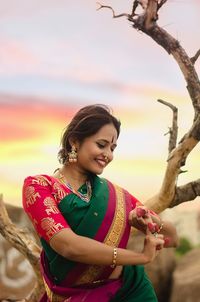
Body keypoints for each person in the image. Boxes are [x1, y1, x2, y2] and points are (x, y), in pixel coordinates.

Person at [22, 104, 178, 302]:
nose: (109, 155)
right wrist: (141, 257)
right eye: (102, 144)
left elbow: (172, 238)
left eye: (112, 148)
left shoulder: (117, 195)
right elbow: (69, 246)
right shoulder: (39, 186)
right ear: (74, 141)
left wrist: (150, 223)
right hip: (77, 296)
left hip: (132, 291)